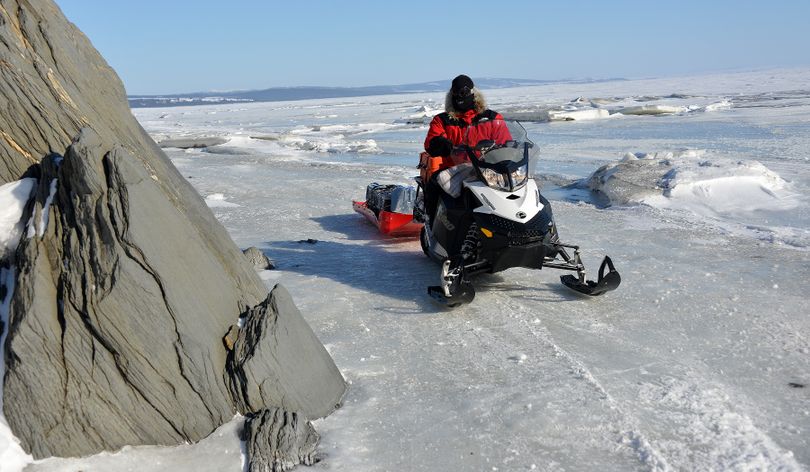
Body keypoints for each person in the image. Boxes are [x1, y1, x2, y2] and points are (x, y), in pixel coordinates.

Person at [420, 74, 510, 222]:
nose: (460, 96)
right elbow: (431, 142)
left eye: (464, 92)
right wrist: (443, 144)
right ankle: (432, 223)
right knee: (435, 183)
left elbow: (506, 144)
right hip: (454, 167)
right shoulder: (442, 120)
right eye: (456, 93)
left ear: (473, 94)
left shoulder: (492, 118)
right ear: (451, 95)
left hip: (488, 169)